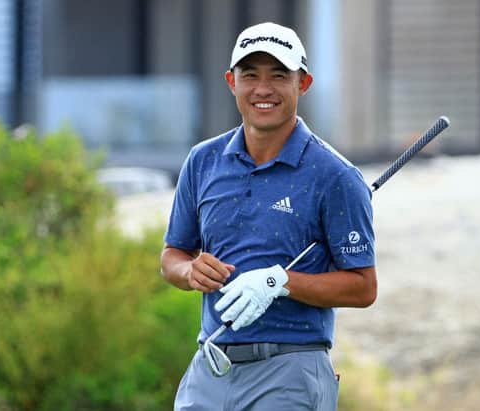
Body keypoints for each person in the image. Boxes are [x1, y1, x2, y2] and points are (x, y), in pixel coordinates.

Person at [160, 22, 377, 411]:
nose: (263, 89)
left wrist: (282, 281)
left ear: (303, 83)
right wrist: (189, 272)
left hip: (291, 367)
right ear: (231, 81)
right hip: (210, 367)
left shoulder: (335, 176)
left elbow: (363, 287)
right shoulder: (202, 161)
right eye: (250, 75)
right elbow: (172, 255)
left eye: (279, 75)